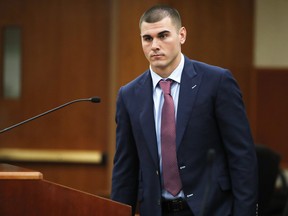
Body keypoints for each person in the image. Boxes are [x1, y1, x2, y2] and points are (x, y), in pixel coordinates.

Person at [111, 5, 258, 216]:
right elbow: (125, 167)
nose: (155, 45)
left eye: (163, 35)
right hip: (157, 210)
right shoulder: (129, 95)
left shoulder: (217, 82)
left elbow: (242, 157)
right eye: (147, 38)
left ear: (182, 35)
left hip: (212, 209)